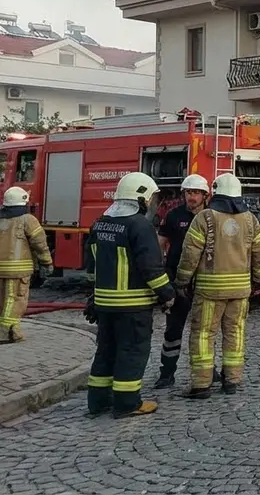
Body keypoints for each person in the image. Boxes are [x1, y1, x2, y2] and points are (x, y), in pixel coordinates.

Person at [82, 172, 175, 418]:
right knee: (132, 351)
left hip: (104, 304)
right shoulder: (140, 225)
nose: (154, 204)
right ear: (142, 197)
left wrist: (94, 298)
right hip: (133, 306)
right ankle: (127, 403)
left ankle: (98, 401)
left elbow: (91, 266)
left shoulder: (100, 222)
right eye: (152, 199)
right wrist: (167, 294)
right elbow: (151, 267)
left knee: (106, 350)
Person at [175, 173, 260, 397]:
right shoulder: (250, 220)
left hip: (210, 291)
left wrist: (181, 281)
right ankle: (232, 381)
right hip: (239, 291)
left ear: (216, 192)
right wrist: (258, 281)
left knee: (203, 335)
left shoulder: (205, 218)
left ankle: (201, 384)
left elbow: (190, 254)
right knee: (235, 333)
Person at [153, 173, 209, 388]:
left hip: (203, 282)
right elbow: (160, 243)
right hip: (177, 281)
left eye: (195, 193)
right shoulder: (174, 215)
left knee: (204, 332)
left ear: (205, 195)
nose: (191, 197)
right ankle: (166, 373)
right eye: (188, 192)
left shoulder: (212, 217)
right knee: (173, 330)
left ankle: (207, 373)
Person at [0, 187, 53, 343]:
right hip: (18, 272)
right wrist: (46, 262)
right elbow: (40, 244)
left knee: (3, 301)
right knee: (15, 300)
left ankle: (14, 332)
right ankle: (4, 333)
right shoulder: (27, 220)